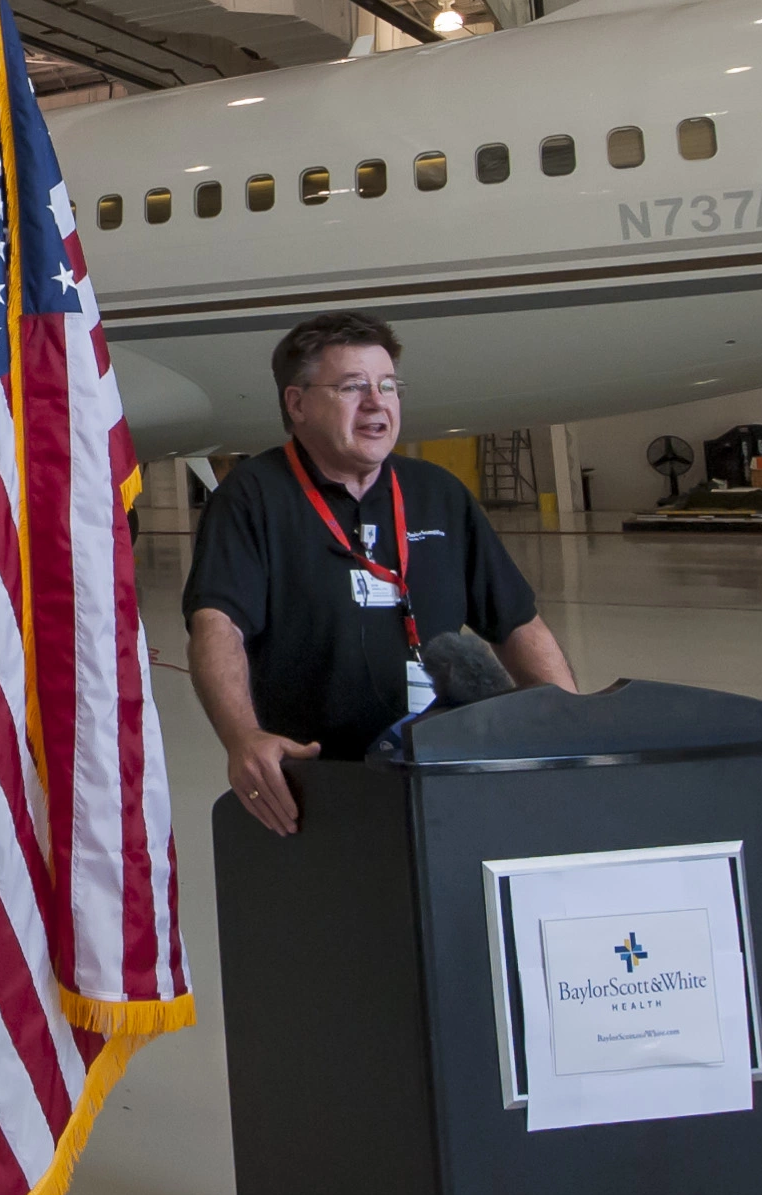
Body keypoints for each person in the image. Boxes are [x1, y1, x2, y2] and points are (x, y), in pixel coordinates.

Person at [184, 311, 576, 834]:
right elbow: (217, 625)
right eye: (352, 386)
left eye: (388, 386)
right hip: (314, 790)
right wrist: (242, 737)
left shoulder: (438, 494)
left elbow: (518, 624)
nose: (377, 402)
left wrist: (575, 726)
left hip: (445, 777)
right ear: (296, 403)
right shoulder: (252, 497)